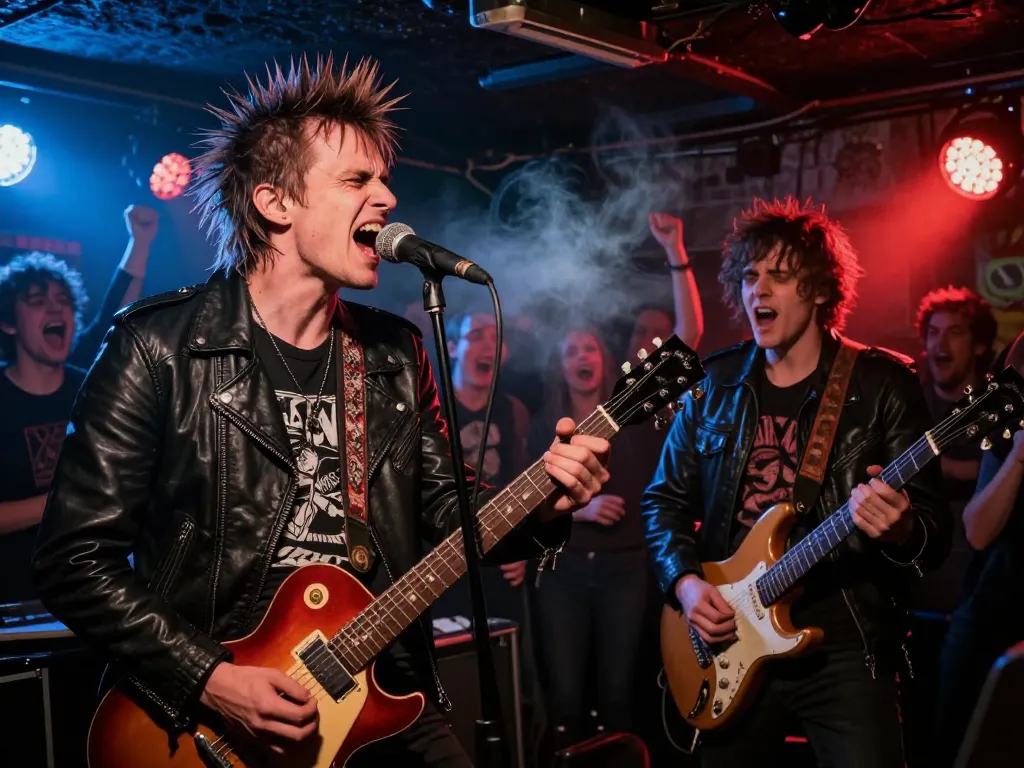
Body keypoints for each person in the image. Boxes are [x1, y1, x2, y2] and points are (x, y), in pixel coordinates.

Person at [31, 54, 611, 768]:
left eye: (385, 179)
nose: (387, 198)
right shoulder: (159, 349)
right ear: (276, 203)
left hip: (377, 692)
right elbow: (72, 561)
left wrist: (548, 502)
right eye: (358, 180)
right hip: (207, 721)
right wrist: (212, 677)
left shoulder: (392, 354)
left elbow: (449, 514)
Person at [642, 196, 950, 768]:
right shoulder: (715, 384)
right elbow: (663, 501)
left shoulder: (883, 383)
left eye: (779, 277)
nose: (758, 290)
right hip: (728, 636)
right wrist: (686, 585)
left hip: (844, 642)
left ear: (819, 290)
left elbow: (934, 535)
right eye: (750, 276)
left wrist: (904, 528)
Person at [0, 205, 155, 603]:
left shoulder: (88, 381)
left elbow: (115, 312)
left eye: (63, 300)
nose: (55, 308)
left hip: (92, 593)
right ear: (8, 323)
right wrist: (68, 499)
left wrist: (140, 241)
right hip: (16, 599)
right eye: (37, 301)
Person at [529, 326, 657, 749]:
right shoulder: (545, 425)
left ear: (603, 361)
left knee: (618, 694)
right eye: (571, 351)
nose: (581, 357)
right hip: (562, 572)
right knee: (565, 699)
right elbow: (521, 501)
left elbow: (687, 340)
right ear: (560, 368)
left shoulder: (633, 419)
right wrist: (583, 511)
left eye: (590, 348)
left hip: (624, 568)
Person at [934, 329, 1024, 767]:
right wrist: (1020, 458)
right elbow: (977, 531)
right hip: (994, 608)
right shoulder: (1012, 428)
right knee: (960, 744)